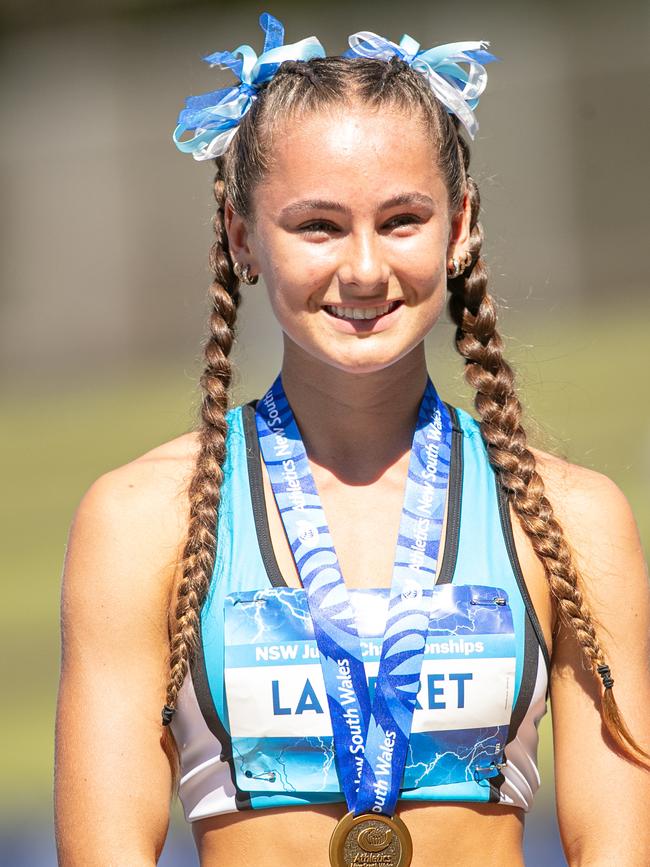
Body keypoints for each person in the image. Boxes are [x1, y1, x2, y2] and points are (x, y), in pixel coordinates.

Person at [54, 12, 650, 867]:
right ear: (239, 234)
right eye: (319, 226)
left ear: (462, 223)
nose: (366, 269)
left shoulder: (574, 517)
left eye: (403, 218)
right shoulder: (140, 519)